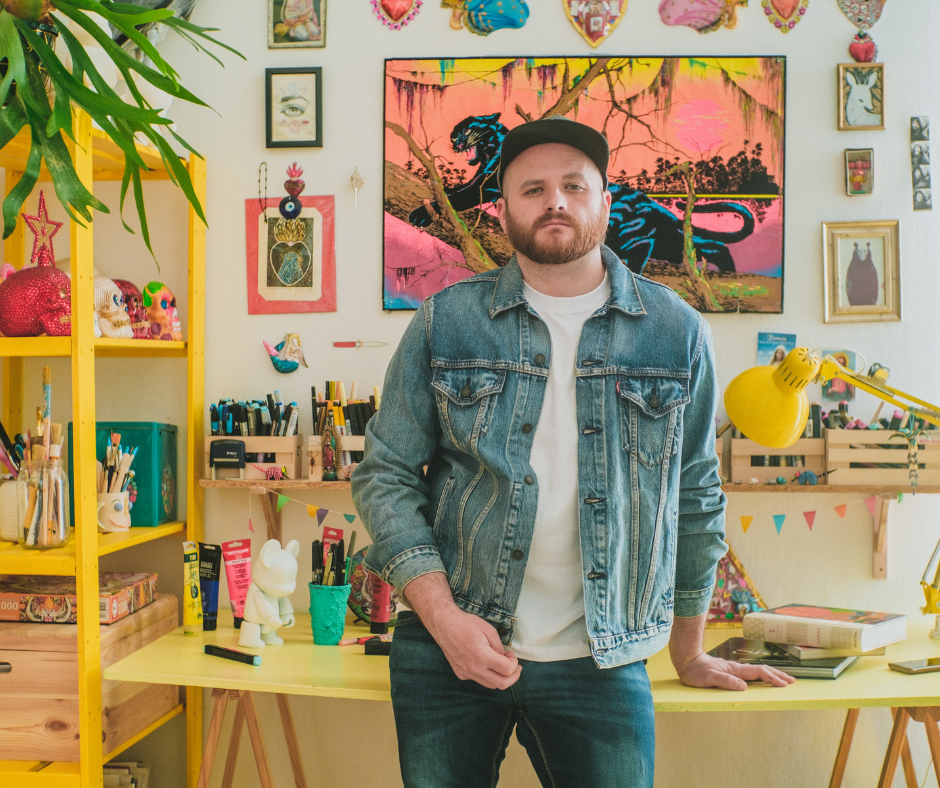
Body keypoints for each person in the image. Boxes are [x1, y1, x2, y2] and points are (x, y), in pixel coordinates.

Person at [352, 116, 793, 788]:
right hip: (448, 653)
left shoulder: (676, 331)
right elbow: (384, 475)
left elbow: (696, 496)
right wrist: (443, 619)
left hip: (605, 661)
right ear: (502, 213)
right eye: (532, 189)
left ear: (605, 202)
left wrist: (690, 649)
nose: (554, 201)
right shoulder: (445, 322)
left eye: (573, 185)